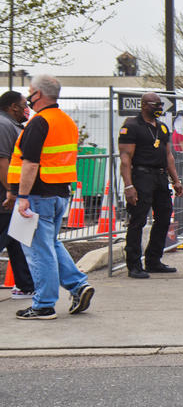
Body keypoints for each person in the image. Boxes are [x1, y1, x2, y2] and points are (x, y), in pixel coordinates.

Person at [8, 75, 94, 319]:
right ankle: (78, 285)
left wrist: (21, 195)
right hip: (58, 194)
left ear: (39, 94)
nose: (27, 99)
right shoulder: (66, 121)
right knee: (51, 245)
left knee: (39, 251)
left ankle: (44, 304)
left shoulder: (39, 122)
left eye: (30, 93)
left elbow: (30, 163)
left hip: (37, 195)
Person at [118, 92, 183, 278]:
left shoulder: (162, 128)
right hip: (141, 177)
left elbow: (168, 156)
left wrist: (176, 180)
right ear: (144, 105)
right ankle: (134, 265)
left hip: (160, 177)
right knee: (137, 220)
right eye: (155, 104)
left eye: (160, 105)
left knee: (164, 217)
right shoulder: (131, 126)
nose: (159, 108)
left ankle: (153, 260)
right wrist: (128, 186)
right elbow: (125, 158)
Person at [0, 91, 34, 300]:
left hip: (9, 195)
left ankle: (26, 285)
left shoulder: (10, 125)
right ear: (13, 107)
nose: (27, 108)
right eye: (24, 105)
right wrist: (13, 193)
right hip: (5, 196)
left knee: (16, 239)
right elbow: (3, 163)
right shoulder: (4, 126)